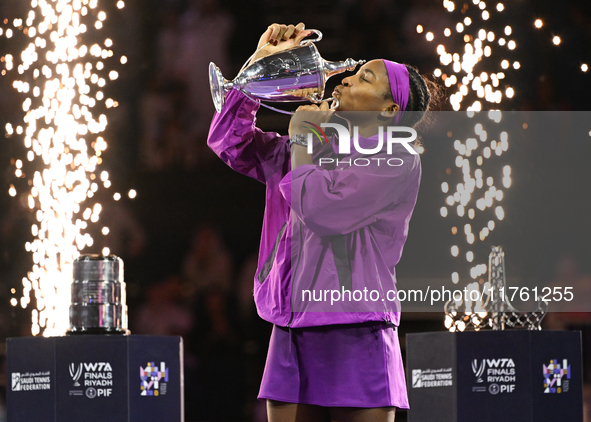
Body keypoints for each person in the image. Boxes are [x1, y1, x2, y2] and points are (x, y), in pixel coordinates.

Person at [207, 22, 440, 422]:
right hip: (292, 326)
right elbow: (230, 141)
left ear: (389, 109)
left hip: (357, 328)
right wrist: (260, 63)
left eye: (365, 77)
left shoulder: (398, 159)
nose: (348, 78)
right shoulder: (312, 145)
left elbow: (323, 209)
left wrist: (301, 141)